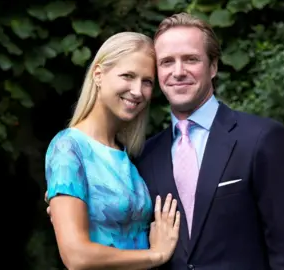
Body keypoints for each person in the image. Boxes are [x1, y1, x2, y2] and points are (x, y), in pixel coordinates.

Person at [133, 13, 284, 269]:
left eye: (191, 59)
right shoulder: (146, 155)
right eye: (166, 62)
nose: (178, 71)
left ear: (213, 66)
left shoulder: (262, 138)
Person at [44, 32, 181, 270]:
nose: (137, 91)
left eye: (147, 81)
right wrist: (155, 255)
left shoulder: (127, 154)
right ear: (98, 74)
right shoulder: (68, 148)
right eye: (128, 76)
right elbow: (76, 257)